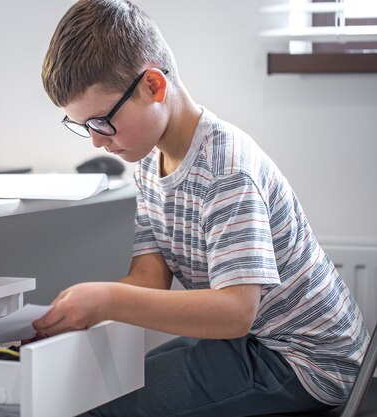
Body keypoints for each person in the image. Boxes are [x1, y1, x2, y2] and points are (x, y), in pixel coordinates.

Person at [33, 1, 369, 416]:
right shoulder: (147, 162)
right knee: (91, 387)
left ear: (153, 87)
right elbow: (150, 278)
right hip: (252, 342)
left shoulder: (225, 170)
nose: (96, 142)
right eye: (83, 126)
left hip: (305, 361)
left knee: (103, 407)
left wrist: (105, 300)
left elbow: (234, 312)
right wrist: (80, 309)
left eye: (102, 122)